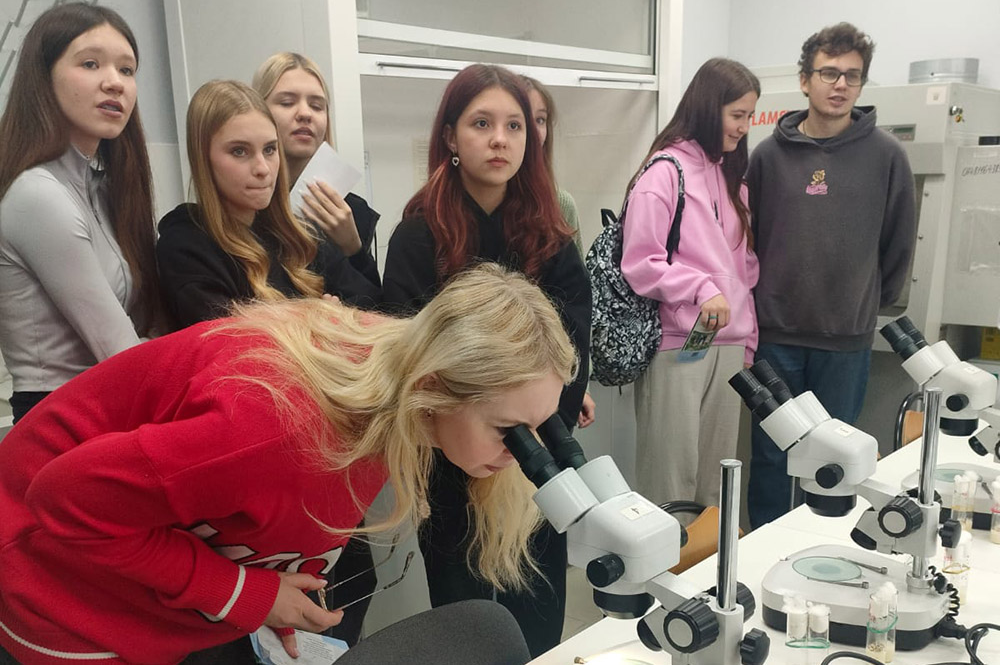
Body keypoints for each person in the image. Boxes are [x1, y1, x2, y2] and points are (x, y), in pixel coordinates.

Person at [0, 263, 575, 664]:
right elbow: (62, 499)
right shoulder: (274, 429)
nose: (522, 454)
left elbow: (260, 509)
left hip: (155, 586)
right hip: (60, 582)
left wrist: (265, 591)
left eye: (540, 426)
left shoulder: (395, 382)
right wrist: (245, 592)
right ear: (433, 387)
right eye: (508, 430)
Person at [381, 64, 591, 657]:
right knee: (463, 614)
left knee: (539, 608)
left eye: (514, 126)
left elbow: (574, 342)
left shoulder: (551, 236)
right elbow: (408, 352)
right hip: (449, 458)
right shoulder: (418, 237)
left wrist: (541, 426)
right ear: (450, 136)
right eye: (481, 124)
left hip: (538, 456)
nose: (500, 139)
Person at [746, 23, 916, 528]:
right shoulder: (768, 156)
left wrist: (864, 303)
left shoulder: (887, 155)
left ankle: (821, 547)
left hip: (845, 340)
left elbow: (899, 242)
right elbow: (748, 239)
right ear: (805, 80)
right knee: (772, 455)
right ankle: (764, 550)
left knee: (835, 460)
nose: (840, 84)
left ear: (861, 85)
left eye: (852, 76)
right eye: (828, 73)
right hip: (776, 336)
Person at [0, 3, 163, 422]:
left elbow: (146, 327)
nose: (115, 83)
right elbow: (121, 353)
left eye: (127, 70)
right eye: (91, 64)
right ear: (43, 78)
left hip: (108, 406)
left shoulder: (105, 187)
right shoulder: (37, 194)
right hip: (58, 419)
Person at [621, 58, 760, 509]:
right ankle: (665, 559)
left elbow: (744, 272)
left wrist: (748, 341)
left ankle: (710, 558)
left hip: (729, 346)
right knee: (669, 483)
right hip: (679, 343)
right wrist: (700, 288)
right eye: (737, 115)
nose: (744, 127)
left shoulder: (733, 179)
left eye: (750, 115)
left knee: (716, 485)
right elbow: (640, 263)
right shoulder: (664, 172)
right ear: (708, 107)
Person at [156, 80, 380, 331]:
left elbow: (374, 310)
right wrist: (319, 322)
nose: (263, 168)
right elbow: (230, 340)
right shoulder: (186, 247)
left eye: (270, 149)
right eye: (239, 151)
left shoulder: (299, 236)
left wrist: (340, 315)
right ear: (203, 159)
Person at [252, 52, 381, 289]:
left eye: (316, 106)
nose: (305, 114)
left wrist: (353, 248)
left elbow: (376, 306)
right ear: (258, 112)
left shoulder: (352, 211)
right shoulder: (248, 206)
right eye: (287, 102)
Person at [522, 75, 596, 429]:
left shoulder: (560, 203)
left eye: (541, 120)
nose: (533, 130)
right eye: (522, 119)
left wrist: (578, 384)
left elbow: (575, 306)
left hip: (550, 380)